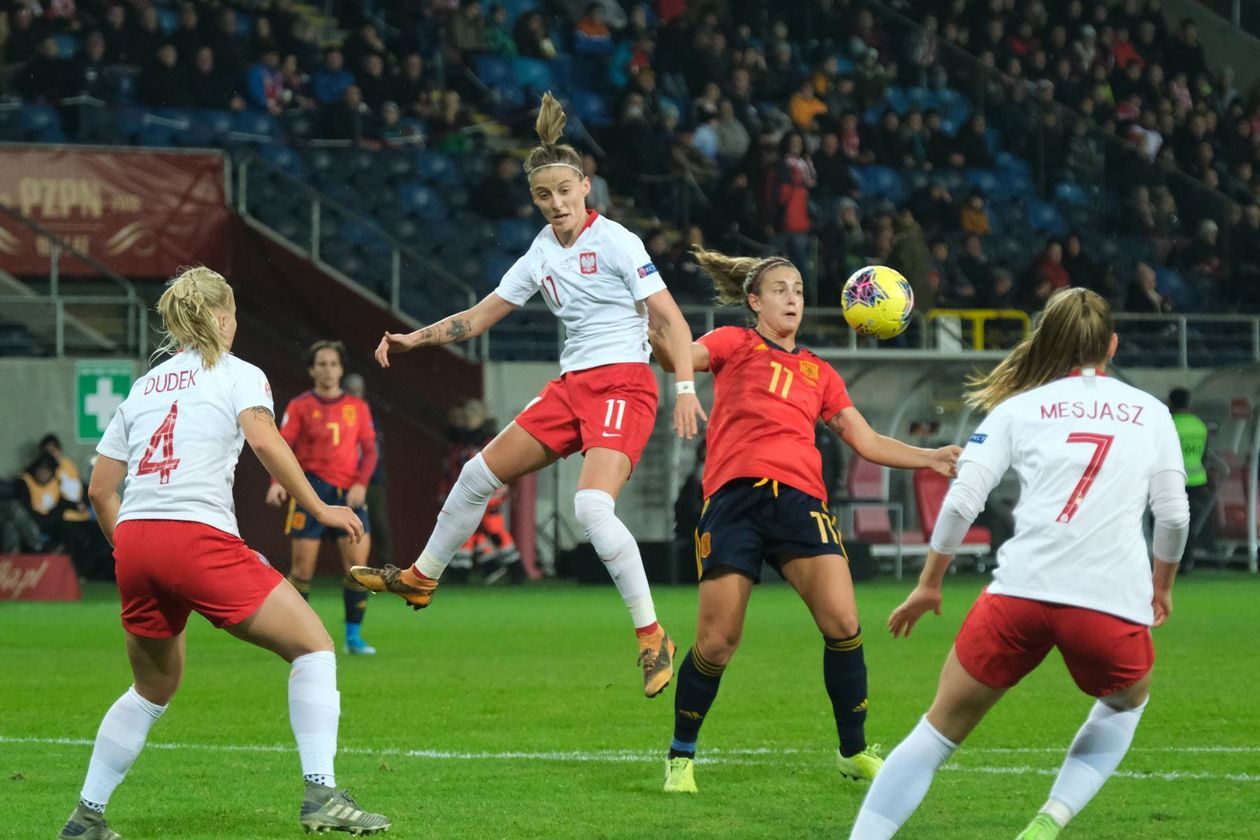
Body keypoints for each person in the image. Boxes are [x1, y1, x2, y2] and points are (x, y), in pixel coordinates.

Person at [350, 92, 705, 699]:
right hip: (571, 389)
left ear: (584, 186)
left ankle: (652, 638)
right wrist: (415, 339)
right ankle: (420, 577)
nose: (556, 203)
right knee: (474, 476)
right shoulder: (541, 252)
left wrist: (686, 388)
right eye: (544, 195)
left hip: (624, 383)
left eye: (565, 190)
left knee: (591, 511)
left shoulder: (617, 241)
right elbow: (481, 315)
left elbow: (669, 319)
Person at [59, 267, 388, 839]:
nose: (235, 324)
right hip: (195, 536)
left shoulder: (144, 386)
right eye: (231, 314)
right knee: (314, 648)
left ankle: (86, 815)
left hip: (135, 537)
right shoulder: (239, 374)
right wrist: (320, 508)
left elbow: (99, 490)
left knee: (152, 689)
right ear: (219, 317)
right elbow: (264, 439)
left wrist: (132, 554)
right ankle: (322, 795)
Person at [849, 288, 1190, 840]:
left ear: (1047, 342)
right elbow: (1174, 517)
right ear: (1112, 345)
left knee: (936, 733)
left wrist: (929, 585)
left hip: (1018, 596)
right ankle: (1048, 820)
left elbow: (962, 500)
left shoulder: (1018, 408)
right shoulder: (1150, 413)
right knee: (1126, 703)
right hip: (1107, 604)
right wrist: (1162, 585)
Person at [649, 248, 962, 794]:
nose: (792, 297)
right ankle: (681, 754)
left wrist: (931, 456)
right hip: (734, 503)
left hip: (801, 504)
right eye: (779, 289)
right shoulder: (733, 343)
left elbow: (864, 439)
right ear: (754, 302)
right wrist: (651, 328)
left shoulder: (819, 370)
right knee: (719, 642)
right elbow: (681, 354)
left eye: (797, 289)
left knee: (843, 624)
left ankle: (853, 750)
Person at [265, 341, 379, 656]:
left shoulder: (358, 407)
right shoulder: (301, 406)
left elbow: (370, 451)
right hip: (311, 491)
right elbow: (280, 445)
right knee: (302, 570)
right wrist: (278, 482)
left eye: (333, 364)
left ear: (341, 369)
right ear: (312, 369)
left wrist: (361, 484)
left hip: (349, 494)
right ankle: (297, 637)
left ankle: (353, 638)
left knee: (358, 567)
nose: (328, 370)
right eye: (322, 364)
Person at [343, 373, 394, 568]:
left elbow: (373, 450)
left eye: (359, 391)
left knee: (378, 523)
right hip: (343, 478)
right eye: (352, 391)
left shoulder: (366, 414)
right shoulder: (339, 412)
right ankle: (352, 567)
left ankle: (385, 567)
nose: (356, 395)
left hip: (372, 478)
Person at [1168, 388, 1211, 566]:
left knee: (1167, 522)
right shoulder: (1199, 424)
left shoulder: (1169, 424)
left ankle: (1169, 561)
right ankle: (1187, 560)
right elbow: (1205, 454)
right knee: (1189, 522)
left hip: (1173, 480)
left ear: (1170, 403)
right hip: (1197, 480)